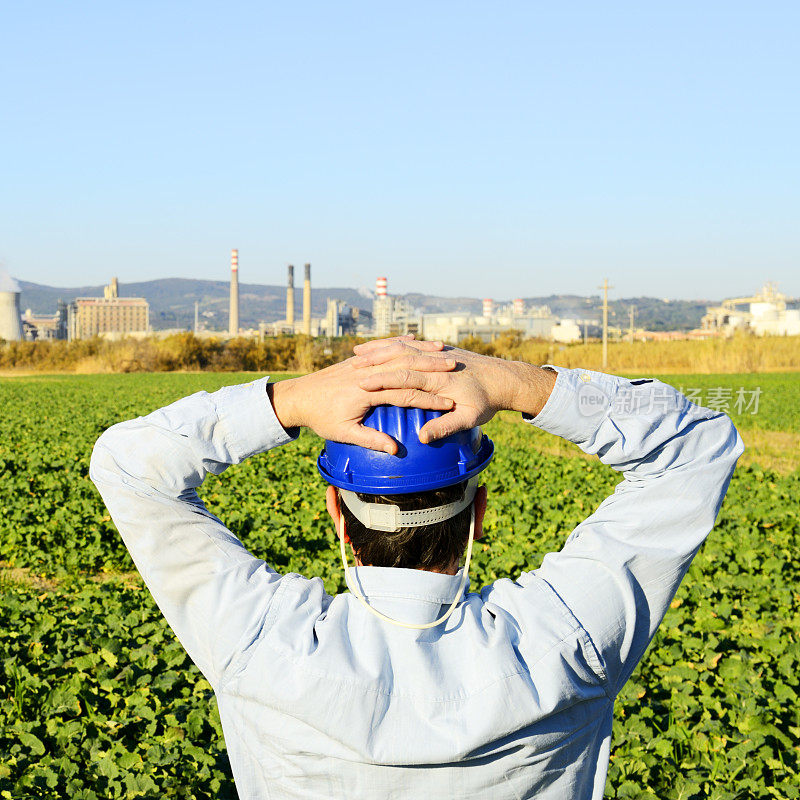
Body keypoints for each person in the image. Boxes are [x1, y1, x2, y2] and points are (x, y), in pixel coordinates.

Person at [90, 336, 743, 799]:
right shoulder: (563, 639)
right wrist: (514, 383)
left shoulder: (260, 642)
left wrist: (287, 400)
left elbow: (127, 465)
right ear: (478, 510)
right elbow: (697, 443)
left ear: (337, 516)